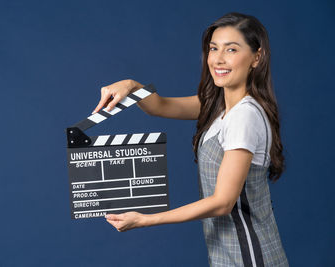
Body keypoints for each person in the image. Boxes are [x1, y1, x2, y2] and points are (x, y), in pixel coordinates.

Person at [92, 12, 289, 267]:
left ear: (256, 57)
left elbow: (222, 202)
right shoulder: (219, 106)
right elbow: (160, 106)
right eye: (213, 48)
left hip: (250, 254)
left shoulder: (245, 117)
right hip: (226, 251)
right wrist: (131, 85)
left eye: (231, 49)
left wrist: (145, 220)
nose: (218, 58)